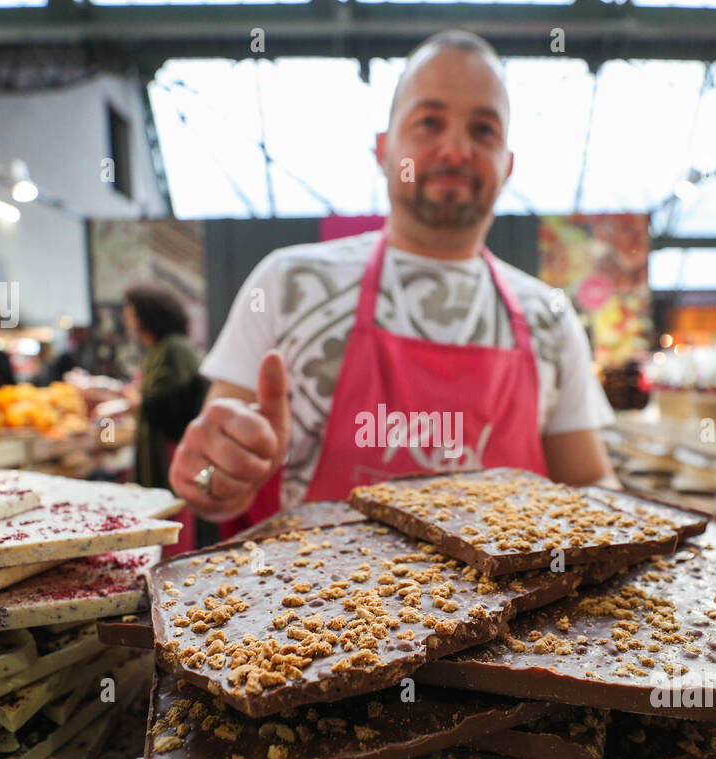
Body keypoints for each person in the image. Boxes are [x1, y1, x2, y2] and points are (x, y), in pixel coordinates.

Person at [168, 30, 619, 522]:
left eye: (483, 130)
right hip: (321, 597)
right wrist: (218, 474)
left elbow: (589, 483)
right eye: (429, 122)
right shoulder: (288, 284)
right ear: (384, 150)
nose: (455, 149)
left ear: (507, 166)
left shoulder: (548, 316)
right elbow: (215, 478)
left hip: (517, 599)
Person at [124, 283, 205, 491]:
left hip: (172, 451)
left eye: (131, 314)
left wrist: (134, 401)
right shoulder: (158, 349)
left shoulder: (174, 347)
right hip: (159, 449)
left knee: (174, 509)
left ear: (147, 316)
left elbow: (169, 407)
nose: (127, 321)